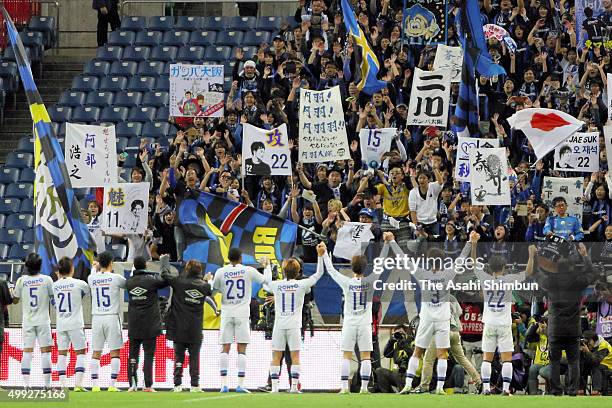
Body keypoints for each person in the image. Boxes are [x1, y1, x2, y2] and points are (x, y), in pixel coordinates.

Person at [384, 231, 472, 395]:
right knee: (442, 354)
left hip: (426, 319)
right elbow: (461, 260)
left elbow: (404, 260)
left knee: (417, 351)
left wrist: (392, 242)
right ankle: (439, 388)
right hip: (443, 320)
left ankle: (408, 385)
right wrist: (470, 242)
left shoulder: (422, 274)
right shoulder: (447, 274)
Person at [470, 238, 536, 395]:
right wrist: (531, 255)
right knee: (507, 358)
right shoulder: (508, 279)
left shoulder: (485, 279)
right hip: (505, 323)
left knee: (487, 358)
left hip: (490, 323)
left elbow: (473, 264)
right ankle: (506, 389)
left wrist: (473, 245)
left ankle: (486, 388)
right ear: (504, 268)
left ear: (490, 268)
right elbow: (528, 272)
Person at [533, 241, 598, 396]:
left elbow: (536, 274)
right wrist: (585, 256)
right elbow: (593, 274)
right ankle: (572, 390)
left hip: (555, 329)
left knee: (554, 362)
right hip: (573, 329)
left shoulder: (550, 281)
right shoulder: (577, 281)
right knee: (573, 362)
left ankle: (555, 390)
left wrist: (534, 257)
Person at [264, 242, 325, 393]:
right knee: (295, 355)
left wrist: (266, 266)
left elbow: (265, 283)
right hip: (294, 326)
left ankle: (275, 388)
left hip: (279, 325)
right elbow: (318, 275)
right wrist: (321, 257)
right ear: (298, 272)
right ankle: (293, 387)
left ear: (284, 272)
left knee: (276, 356)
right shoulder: (301, 285)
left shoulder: (277, 285)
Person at [212, 248, 271, 393]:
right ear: (240, 258)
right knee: (242, 349)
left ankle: (224, 385)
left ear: (228, 258)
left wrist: (210, 282)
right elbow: (266, 281)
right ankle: (240, 384)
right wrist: (267, 266)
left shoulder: (220, 271)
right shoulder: (248, 270)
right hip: (242, 314)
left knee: (225, 348)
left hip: (226, 313)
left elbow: (213, 290)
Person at [322, 252, 374, 394]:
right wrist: (388, 244)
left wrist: (324, 254)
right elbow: (381, 265)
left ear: (352, 267)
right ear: (365, 268)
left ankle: (345, 387)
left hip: (350, 323)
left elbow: (331, 270)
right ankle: (364, 388)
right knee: (365, 356)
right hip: (364, 324)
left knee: (347, 355)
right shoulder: (371, 281)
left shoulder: (347, 282)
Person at [161, 255, 212, 392]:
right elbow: (211, 290)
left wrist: (164, 260)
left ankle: (177, 384)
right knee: (194, 357)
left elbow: (165, 275)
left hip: (178, 326)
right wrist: (207, 280)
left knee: (179, 356)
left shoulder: (179, 282)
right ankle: (195, 385)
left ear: (187, 269)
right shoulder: (204, 286)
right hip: (195, 328)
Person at [125, 256, 168, 392]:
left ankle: (132, 384)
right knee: (149, 354)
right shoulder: (151, 281)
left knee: (133, 354)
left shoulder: (129, 282)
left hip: (134, 323)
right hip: (150, 324)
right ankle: (148, 385)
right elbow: (166, 280)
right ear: (146, 266)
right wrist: (164, 262)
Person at [12, 253, 54, 389]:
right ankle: (47, 385)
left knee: (27, 352)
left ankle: (26, 385)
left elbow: (15, 300)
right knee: (46, 352)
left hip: (28, 321)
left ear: (27, 266)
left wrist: (12, 291)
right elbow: (53, 299)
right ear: (40, 266)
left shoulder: (21, 281)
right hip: (43, 321)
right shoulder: (47, 280)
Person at [88, 251, 126, 392]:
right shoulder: (116, 278)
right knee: (114, 352)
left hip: (96, 318)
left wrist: (94, 267)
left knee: (96, 352)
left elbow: (92, 273)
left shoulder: (91, 278)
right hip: (111, 317)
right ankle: (112, 385)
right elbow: (128, 285)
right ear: (111, 263)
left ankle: (95, 385)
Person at [52, 257, 90, 391]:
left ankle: (63, 385)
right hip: (75, 323)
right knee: (80, 353)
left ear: (59, 271)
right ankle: (78, 384)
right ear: (72, 269)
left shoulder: (54, 285)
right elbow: (87, 292)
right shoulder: (79, 283)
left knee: (62, 353)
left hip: (61, 324)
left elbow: (53, 299)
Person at [375, 324, 414, 393]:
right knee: (379, 371)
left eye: (401, 333)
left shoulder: (411, 343)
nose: (399, 335)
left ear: (406, 334)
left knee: (397, 372)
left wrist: (404, 344)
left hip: (409, 374)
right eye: (397, 333)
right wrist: (390, 342)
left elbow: (413, 355)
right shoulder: (395, 344)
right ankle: (387, 393)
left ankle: (404, 391)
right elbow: (386, 354)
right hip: (396, 374)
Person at [580, 330, 612, 395]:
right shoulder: (592, 344)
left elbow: (596, 361)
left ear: (592, 340)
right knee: (581, 366)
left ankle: (596, 390)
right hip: (599, 364)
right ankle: (581, 389)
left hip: (608, 366)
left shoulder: (603, 346)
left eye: (588, 341)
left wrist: (587, 351)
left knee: (596, 366)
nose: (587, 343)